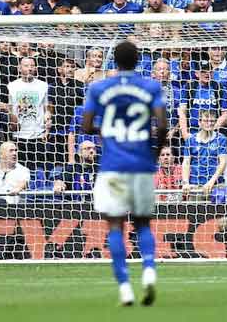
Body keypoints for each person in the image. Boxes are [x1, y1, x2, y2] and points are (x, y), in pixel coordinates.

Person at [81, 40, 167, 306]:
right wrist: (153, 152)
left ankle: (125, 288)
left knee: (115, 225)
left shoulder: (99, 87)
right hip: (141, 164)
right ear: (138, 60)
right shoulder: (150, 86)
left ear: (113, 62)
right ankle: (150, 270)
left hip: (113, 166)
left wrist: (105, 132)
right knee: (142, 223)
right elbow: (163, 125)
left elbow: (85, 127)